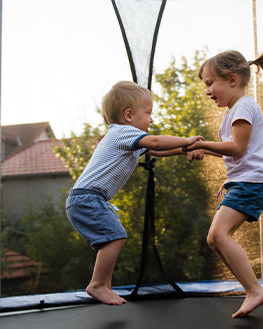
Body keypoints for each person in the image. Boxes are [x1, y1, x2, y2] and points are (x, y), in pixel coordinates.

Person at [66, 81, 204, 305]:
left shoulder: (126, 137)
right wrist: (187, 140)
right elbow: (157, 141)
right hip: (87, 198)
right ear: (129, 115)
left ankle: (103, 285)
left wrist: (183, 150)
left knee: (112, 238)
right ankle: (98, 284)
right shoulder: (122, 133)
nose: (152, 119)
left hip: (88, 198)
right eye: (148, 113)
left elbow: (158, 149)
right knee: (116, 237)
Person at [184, 50, 263, 318]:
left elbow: (237, 147)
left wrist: (203, 144)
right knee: (214, 239)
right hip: (243, 183)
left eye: (209, 83)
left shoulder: (244, 106)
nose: (207, 91)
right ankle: (252, 289)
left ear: (231, 79)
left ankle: (254, 290)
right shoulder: (232, 112)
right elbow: (234, 151)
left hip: (252, 184)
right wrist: (206, 151)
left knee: (218, 235)